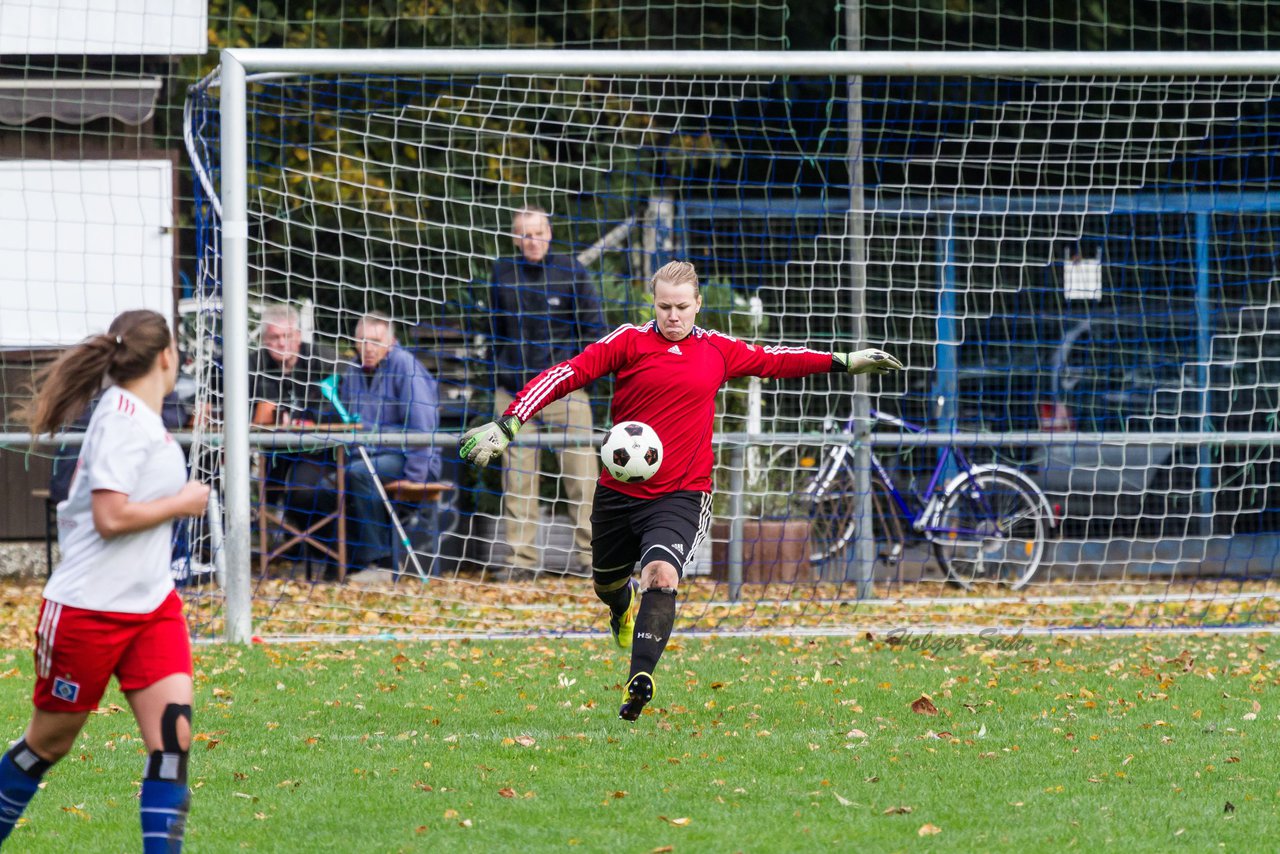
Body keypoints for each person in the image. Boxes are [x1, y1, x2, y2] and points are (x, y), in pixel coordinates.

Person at [460, 260, 903, 721]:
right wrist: (509, 423)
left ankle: (640, 677)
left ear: (697, 305)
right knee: (608, 585)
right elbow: (566, 374)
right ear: (653, 303)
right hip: (617, 493)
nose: (673, 316)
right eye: (664, 306)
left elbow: (776, 359)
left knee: (662, 575)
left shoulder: (717, 350)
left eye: (682, 307)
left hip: (682, 494)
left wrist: (843, 361)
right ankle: (621, 608)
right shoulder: (628, 342)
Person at [2, 309, 210, 851]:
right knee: (47, 745)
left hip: (152, 609)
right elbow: (109, 518)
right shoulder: (121, 419)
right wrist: (182, 503)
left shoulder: (143, 417)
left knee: (173, 739)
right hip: (88, 611)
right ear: (168, 356)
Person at [488, 206, 607, 579]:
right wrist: (501, 373)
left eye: (537, 233)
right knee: (518, 477)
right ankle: (520, 563)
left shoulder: (571, 271)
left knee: (583, 476)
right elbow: (492, 330)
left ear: (549, 233)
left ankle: (593, 560)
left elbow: (594, 332)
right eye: (524, 234)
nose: (531, 240)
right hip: (515, 393)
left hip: (564, 391)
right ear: (514, 237)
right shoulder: (501, 274)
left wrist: (577, 378)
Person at [334, 312, 442, 579]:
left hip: (409, 459)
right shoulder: (352, 371)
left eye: (375, 341)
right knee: (326, 483)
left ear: (391, 342)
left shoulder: (406, 367)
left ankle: (379, 564)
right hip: (366, 455)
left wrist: (415, 477)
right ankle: (334, 565)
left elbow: (422, 426)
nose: (368, 348)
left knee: (360, 474)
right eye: (362, 341)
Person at [249, 305, 334, 556]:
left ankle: (313, 547)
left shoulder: (324, 360)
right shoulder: (252, 365)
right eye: (274, 337)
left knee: (303, 490)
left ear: (298, 336)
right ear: (265, 340)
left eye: (287, 336)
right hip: (270, 452)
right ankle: (270, 542)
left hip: (317, 450)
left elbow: (336, 406)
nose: (281, 343)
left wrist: (308, 418)